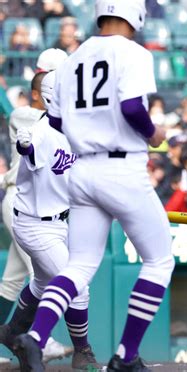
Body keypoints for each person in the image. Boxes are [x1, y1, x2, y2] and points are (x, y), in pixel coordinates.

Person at [12, 1, 175, 371]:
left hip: (82, 173)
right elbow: (133, 107)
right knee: (159, 260)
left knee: (79, 265)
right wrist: (154, 134)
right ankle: (126, 356)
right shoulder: (133, 51)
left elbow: (54, 123)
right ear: (134, 15)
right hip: (121, 167)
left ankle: (34, 337)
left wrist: (87, 131)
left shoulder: (73, 59)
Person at [0, 70, 99, 371]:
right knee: (77, 286)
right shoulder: (40, 133)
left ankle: (12, 332)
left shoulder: (78, 129)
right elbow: (27, 148)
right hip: (34, 224)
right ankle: (83, 350)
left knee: (43, 284)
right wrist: (24, 145)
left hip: (59, 222)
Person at [0, 58, 72, 365]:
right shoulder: (25, 114)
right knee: (42, 274)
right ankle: (41, 341)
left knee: (12, 281)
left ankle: (9, 335)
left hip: (45, 201)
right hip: (23, 200)